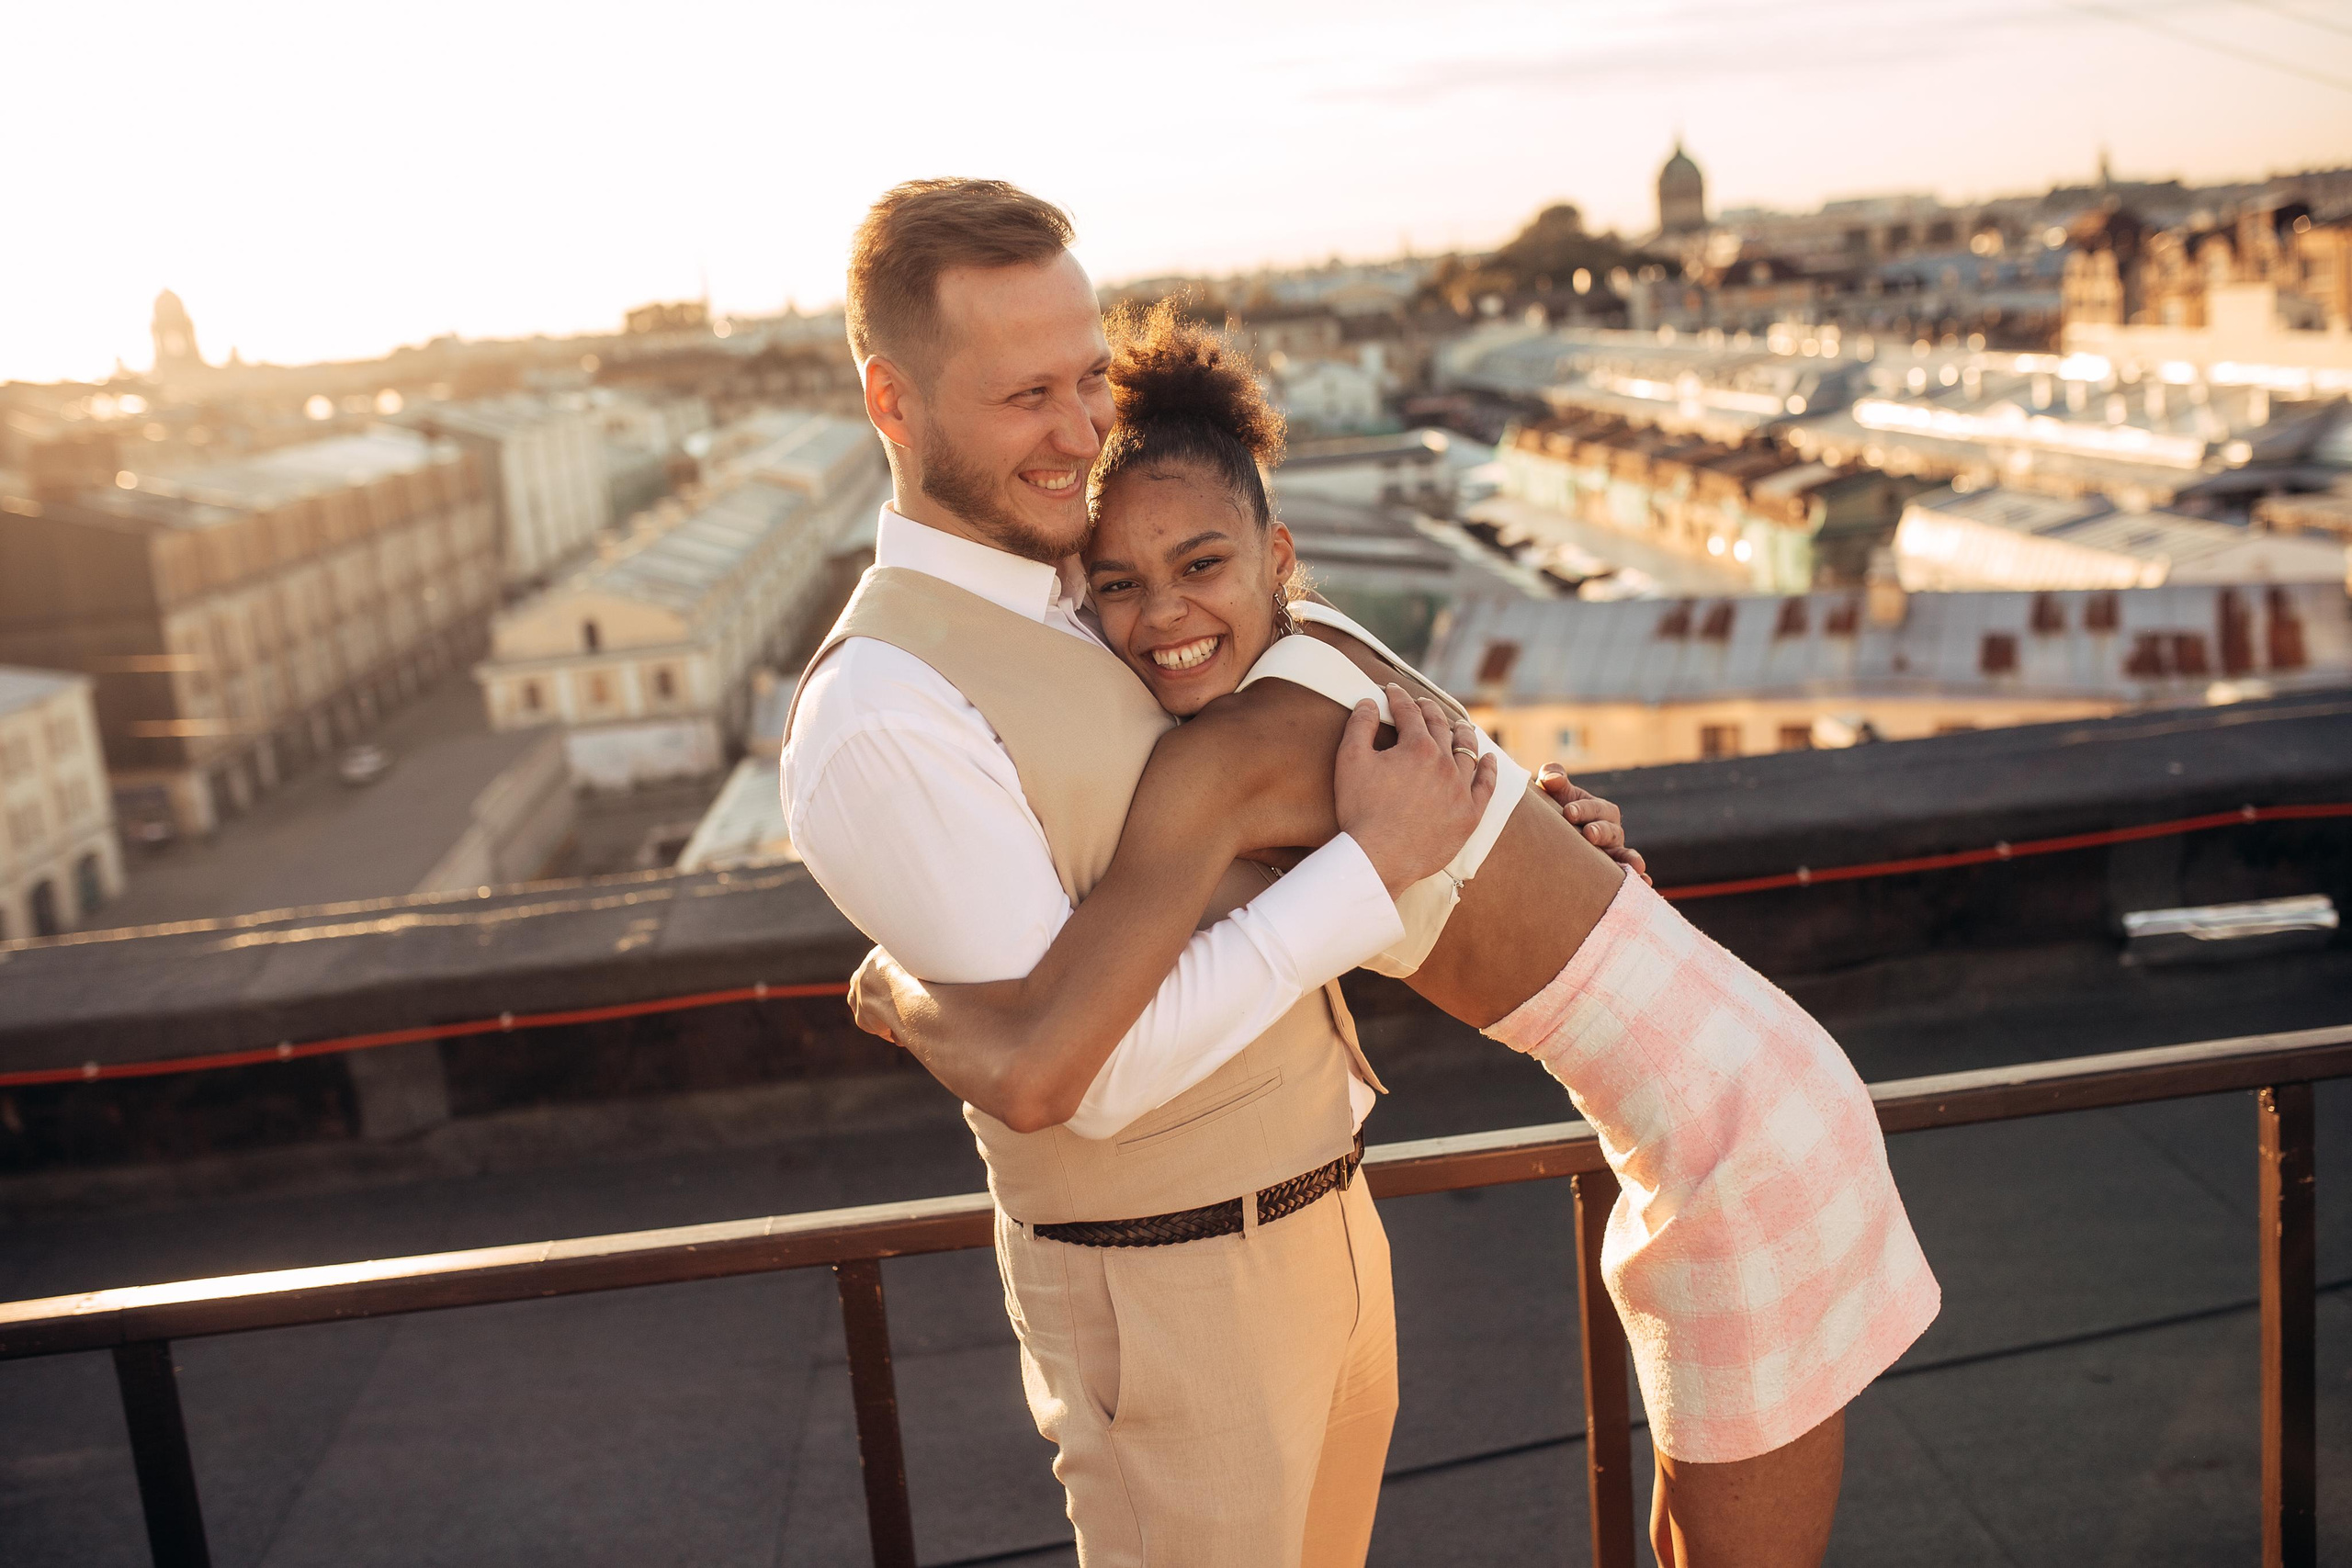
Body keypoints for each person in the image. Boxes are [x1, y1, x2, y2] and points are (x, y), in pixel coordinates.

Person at [851, 302, 1942, 1568]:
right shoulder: (1324, 647)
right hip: (1736, 1098)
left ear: (1277, 554)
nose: (1161, 617)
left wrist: (899, 991)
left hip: (1744, 1142)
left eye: (1201, 565)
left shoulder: (1226, 756)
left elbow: (1056, 1049)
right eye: (1116, 586)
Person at [783, 179, 1632, 1568]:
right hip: (1165, 1294)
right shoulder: (883, 710)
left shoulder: (1090, 586)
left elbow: (1256, 822)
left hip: (1323, 1227)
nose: (1078, 434)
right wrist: (1373, 869)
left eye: (1089, 378)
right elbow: (1090, 1078)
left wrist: (1503, 830)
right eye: (1023, 397)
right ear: (892, 402)